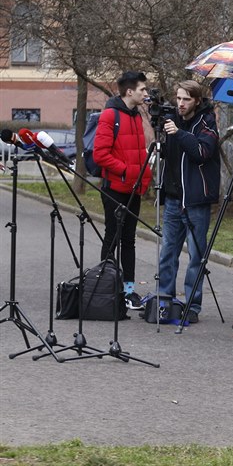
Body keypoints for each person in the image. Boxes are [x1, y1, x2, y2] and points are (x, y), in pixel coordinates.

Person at [157, 81, 220, 324]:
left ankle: (192, 305)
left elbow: (202, 152)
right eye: (178, 98)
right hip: (173, 198)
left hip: (196, 200)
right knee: (167, 253)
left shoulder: (207, 122)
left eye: (186, 99)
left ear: (196, 101)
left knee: (196, 256)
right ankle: (165, 301)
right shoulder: (171, 119)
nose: (180, 104)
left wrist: (179, 133)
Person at [93, 70, 152, 310]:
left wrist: (142, 178)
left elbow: (138, 153)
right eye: (142, 90)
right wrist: (126, 171)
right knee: (112, 237)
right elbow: (100, 154)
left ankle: (128, 291)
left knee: (129, 240)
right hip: (115, 188)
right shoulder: (110, 115)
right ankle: (106, 287)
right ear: (130, 91)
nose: (146, 93)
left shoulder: (136, 114)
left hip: (133, 189)